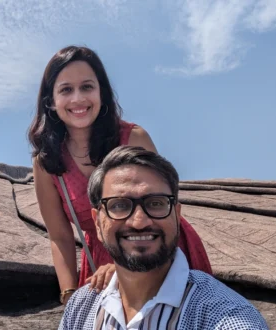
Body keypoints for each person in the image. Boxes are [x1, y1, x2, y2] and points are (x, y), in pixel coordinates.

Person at [27, 45, 212, 305]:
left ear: (101, 92)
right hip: (100, 263)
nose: (78, 98)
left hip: (157, 246)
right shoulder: (47, 161)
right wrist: (68, 295)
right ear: (51, 100)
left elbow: (164, 209)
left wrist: (128, 267)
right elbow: (60, 236)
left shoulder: (133, 138)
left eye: (87, 87)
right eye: (66, 89)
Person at [58, 145, 268, 329]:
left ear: (177, 216)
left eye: (156, 203)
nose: (139, 222)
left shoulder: (228, 318)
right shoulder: (81, 308)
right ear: (97, 222)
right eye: (119, 205)